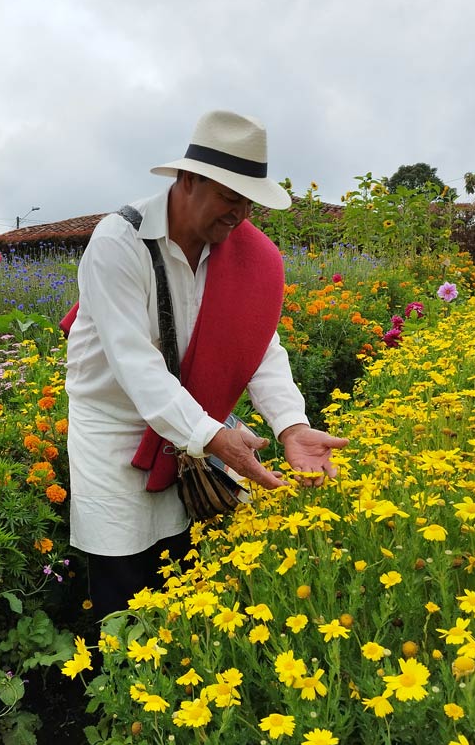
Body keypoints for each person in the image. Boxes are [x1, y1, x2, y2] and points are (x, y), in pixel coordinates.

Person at [63, 110, 348, 620]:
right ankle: (120, 673)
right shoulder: (118, 243)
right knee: (124, 585)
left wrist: (291, 424)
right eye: (230, 197)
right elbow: (135, 364)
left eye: (248, 203)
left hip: (194, 428)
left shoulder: (243, 255)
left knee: (183, 573)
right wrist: (212, 435)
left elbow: (259, 344)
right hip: (115, 432)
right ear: (189, 180)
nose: (240, 215)